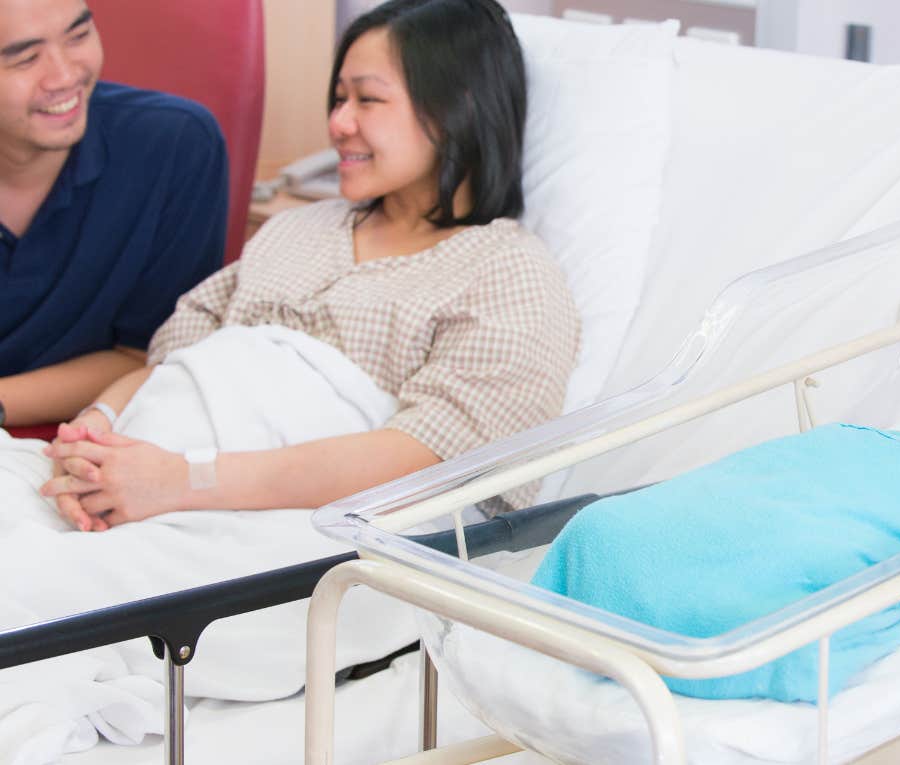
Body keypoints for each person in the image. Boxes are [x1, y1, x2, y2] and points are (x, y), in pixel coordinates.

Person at [38, 0, 579, 531]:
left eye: (368, 99)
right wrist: (95, 431)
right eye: (338, 98)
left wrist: (182, 480)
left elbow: (429, 459)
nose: (339, 123)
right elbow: (171, 363)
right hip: (136, 477)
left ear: (456, 107)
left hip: (247, 520)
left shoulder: (509, 272)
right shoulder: (298, 229)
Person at [532, 417, 900, 702]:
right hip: (665, 527)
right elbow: (772, 474)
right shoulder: (872, 447)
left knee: (805, 567)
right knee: (619, 525)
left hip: (778, 572)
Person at [0, 0, 227, 428]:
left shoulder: (173, 145)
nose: (66, 76)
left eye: (79, 36)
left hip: (99, 434)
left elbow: (152, 354)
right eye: (26, 58)